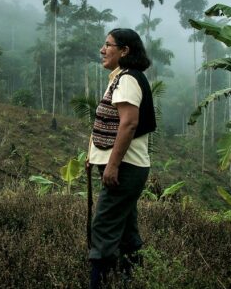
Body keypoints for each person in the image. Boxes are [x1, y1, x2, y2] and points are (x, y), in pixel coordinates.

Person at [87, 28, 156, 288]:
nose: (103, 50)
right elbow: (113, 124)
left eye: (108, 45)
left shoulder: (127, 79)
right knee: (126, 230)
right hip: (125, 166)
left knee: (103, 226)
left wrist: (112, 165)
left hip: (125, 168)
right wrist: (94, 156)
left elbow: (128, 124)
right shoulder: (121, 78)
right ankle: (132, 280)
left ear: (124, 51)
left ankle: (100, 283)